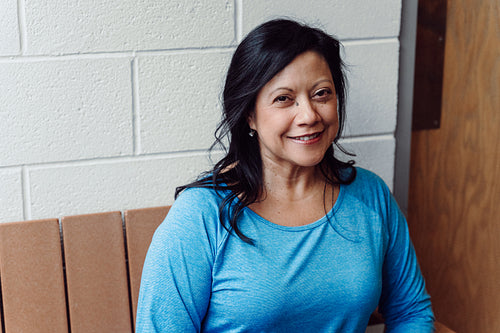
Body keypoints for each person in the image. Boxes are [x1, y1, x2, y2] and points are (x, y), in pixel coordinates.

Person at [135, 19, 435, 332]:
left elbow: (411, 312)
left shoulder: (371, 196)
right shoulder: (200, 215)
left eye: (321, 93)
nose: (309, 115)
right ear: (249, 114)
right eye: (284, 99)